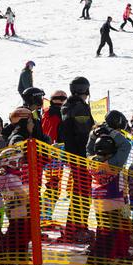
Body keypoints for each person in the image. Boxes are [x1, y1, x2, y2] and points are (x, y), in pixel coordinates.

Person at [76, 132, 131, 265]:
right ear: (110, 153)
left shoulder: (91, 160)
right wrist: (112, 131)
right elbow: (126, 146)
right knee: (104, 242)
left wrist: (93, 134)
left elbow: (88, 148)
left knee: (107, 240)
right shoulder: (112, 164)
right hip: (111, 206)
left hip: (103, 205)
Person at [61, 77, 96, 243]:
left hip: (74, 155)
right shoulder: (79, 108)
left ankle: (77, 228)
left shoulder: (68, 105)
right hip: (81, 157)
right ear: (85, 90)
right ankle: (76, 229)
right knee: (82, 193)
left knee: (80, 192)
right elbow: (83, 135)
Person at [41, 90, 68, 224]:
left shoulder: (46, 113)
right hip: (55, 153)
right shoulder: (57, 115)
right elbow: (54, 135)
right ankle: (45, 217)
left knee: (52, 185)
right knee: (53, 185)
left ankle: (46, 215)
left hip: (49, 153)